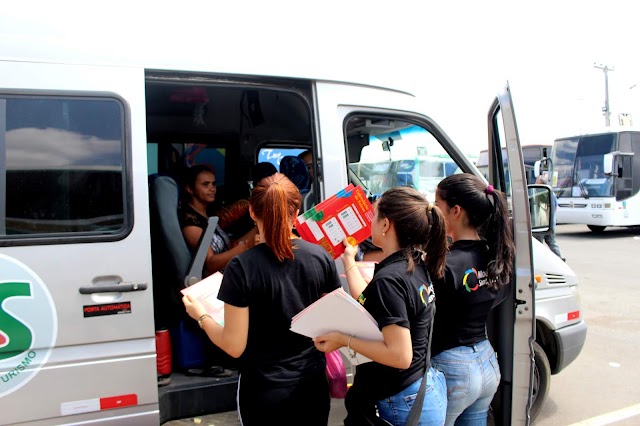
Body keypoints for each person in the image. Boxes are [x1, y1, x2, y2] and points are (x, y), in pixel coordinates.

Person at [183, 172, 341, 426]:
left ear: (253, 213)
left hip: (264, 392)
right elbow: (331, 325)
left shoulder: (242, 266)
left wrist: (200, 314)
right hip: (311, 388)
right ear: (297, 210)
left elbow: (234, 345)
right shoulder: (320, 257)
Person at [313, 186, 449, 426]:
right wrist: (349, 261)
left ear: (386, 225)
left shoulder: (391, 279)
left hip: (401, 399)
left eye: (374, 216)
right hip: (418, 388)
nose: (371, 222)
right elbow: (369, 299)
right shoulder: (412, 264)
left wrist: (343, 339)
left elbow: (400, 355)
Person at [431, 173, 516, 426]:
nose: (433, 212)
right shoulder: (495, 255)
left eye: (436, 205)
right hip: (486, 361)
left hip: (452, 366)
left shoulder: (445, 264)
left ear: (455, 211)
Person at [179, 165, 258, 275]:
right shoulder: (191, 224)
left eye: (213, 184)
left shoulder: (208, 216)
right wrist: (248, 245)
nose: (213, 189)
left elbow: (229, 247)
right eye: (205, 185)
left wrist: (259, 228)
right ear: (189, 189)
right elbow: (211, 264)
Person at [534, 173, 564, 261]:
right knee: (551, 242)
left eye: (537, 182)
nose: (535, 184)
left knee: (539, 244)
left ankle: (541, 261)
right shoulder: (551, 193)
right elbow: (555, 207)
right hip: (550, 223)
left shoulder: (542, 193)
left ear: (541, 184)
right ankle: (559, 259)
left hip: (542, 224)